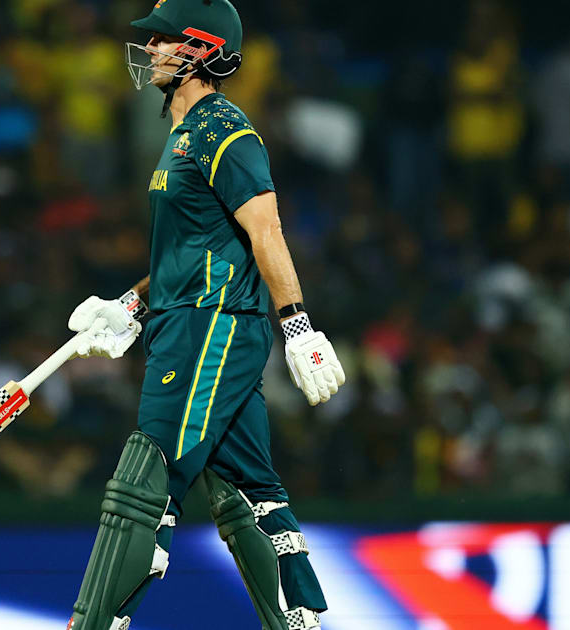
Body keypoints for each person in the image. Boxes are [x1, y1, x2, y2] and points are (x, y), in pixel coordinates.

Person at [62, 1, 346, 628]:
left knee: (146, 480)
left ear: (202, 51)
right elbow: (192, 248)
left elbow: (266, 230)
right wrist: (130, 305)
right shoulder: (184, 134)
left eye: (164, 40)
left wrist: (298, 326)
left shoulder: (225, 130)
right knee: (248, 491)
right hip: (187, 321)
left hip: (209, 326)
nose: (150, 50)